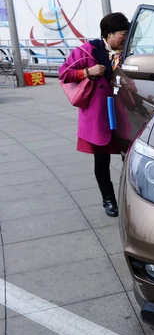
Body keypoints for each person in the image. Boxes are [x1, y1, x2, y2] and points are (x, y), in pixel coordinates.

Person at [58, 12, 134, 217]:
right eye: (123, 34)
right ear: (109, 34)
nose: (125, 39)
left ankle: (134, 200)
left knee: (132, 159)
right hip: (99, 116)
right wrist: (86, 72)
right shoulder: (87, 51)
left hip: (124, 115)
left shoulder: (127, 53)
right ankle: (108, 199)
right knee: (102, 160)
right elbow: (63, 73)